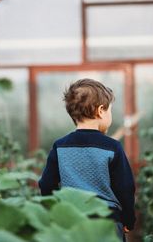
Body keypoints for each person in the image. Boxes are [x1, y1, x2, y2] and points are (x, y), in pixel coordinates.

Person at [38, 78, 136, 242]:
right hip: (107, 221)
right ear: (100, 111)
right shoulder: (112, 147)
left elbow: (46, 184)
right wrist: (128, 219)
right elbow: (125, 187)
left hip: (73, 219)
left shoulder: (60, 146)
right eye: (110, 110)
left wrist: (55, 213)